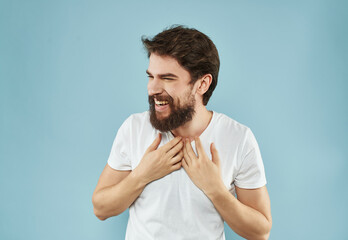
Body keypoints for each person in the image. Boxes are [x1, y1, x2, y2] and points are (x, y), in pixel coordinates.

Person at [92, 25, 272, 240]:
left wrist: (215, 189)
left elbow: (260, 232)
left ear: (202, 84)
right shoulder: (134, 128)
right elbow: (101, 208)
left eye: (168, 78)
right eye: (151, 76)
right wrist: (142, 175)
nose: (153, 88)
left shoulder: (238, 138)